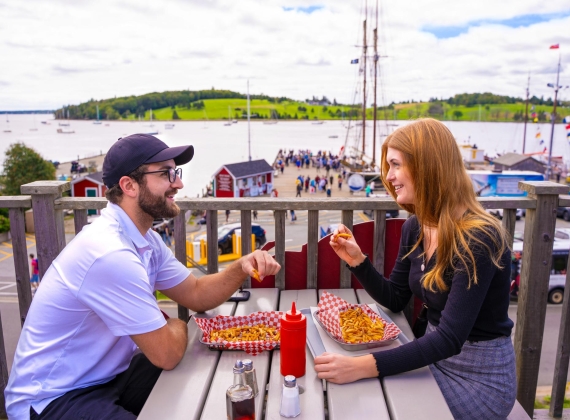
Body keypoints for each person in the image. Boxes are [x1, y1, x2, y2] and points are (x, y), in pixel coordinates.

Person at [5, 134, 281, 420]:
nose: (179, 183)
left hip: (105, 377)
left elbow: (196, 292)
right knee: (180, 360)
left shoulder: (141, 237)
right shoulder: (110, 253)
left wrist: (240, 266)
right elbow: (167, 354)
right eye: (166, 173)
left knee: (196, 369)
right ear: (129, 186)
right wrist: (176, 324)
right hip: (51, 398)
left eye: (176, 172)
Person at [314, 119, 516, 419]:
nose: (389, 175)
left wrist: (360, 366)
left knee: (376, 400)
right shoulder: (416, 227)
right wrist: (357, 260)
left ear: (426, 166)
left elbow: (449, 338)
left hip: (480, 380)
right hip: (434, 357)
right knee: (363, 398)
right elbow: (396, 297)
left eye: (395, 165)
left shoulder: (479, 238)